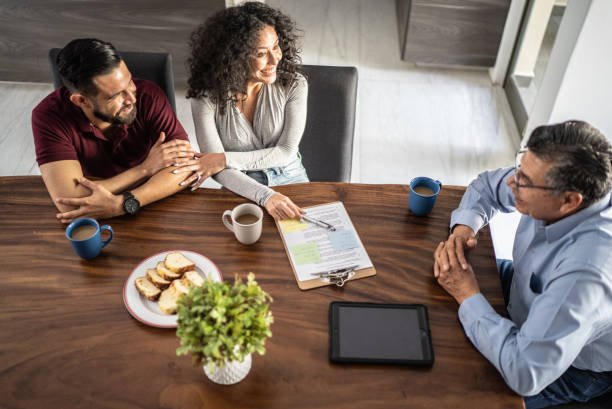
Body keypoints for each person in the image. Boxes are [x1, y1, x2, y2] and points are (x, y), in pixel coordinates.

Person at [433, 120, 612, 408]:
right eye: (519, 169)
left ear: (570, 201)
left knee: (456, 393)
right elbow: (486, 186)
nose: (511, 183)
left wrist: (467, 294)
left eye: (524, 182)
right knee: (429, 290)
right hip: (524, 290)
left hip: (572, 368)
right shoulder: (551, 185)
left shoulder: (587, 273)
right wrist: (463, 231)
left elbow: (524, 371)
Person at [32, 38, 218, 223]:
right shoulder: (48, 116)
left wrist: (124, 204)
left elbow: (186, 167)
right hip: (96, 210)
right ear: (82, 101)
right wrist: (145, 168)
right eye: (115, 96)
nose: (131, 98)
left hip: (152, 198)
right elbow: (70, 203)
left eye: (129, 82)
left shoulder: (148, 95)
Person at [175, 1, 308, 220]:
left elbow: (286, 151)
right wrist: (266, 196)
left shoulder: (294, 84)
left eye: (276, 46)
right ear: (234, 58)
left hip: (292, 178)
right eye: (261, 54)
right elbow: (215, 169)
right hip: (240, 186)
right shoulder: (205, 98)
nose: (275, 59)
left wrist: (224, 159)